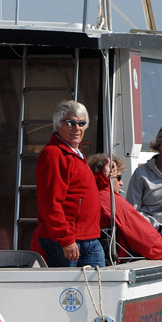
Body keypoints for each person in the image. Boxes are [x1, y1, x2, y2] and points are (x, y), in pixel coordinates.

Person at [30, 100, 104, 268]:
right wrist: (65, 238)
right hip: (67, 242)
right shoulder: (54, 154)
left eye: (81, 123)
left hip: (87, 239)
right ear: (57, 125)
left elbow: (80, 192)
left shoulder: (75, 154)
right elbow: (49, 202)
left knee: (97, 291)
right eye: (71, 123)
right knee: (66, 293)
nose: (76, 128)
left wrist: (103, 178)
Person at [88, 153, 162, 267]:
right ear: (108, 175)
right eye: (118, 178)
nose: (121, 183)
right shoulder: (110, 200)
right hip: (109, 260)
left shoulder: (90, 195)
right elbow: (142, 233)